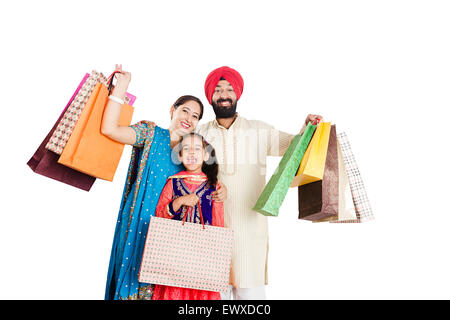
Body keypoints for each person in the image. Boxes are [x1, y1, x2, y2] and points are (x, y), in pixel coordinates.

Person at [196, 66, 322, 300]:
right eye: (218, 90)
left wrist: (308, 127)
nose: (224, 94)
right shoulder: (199, 133)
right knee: (212, 296)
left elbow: (294, 147)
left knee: (250, 296)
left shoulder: (258, 130)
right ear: (210, 97)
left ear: (237, 95)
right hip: (209, 229)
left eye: (229, 89)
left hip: (249, 229)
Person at [102, 65, 227, 300]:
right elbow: (109, 130)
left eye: (195, 116)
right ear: (173, 110)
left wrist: (222, 189)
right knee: (128, 287)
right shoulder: (150, 134)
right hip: (138, 223)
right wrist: (121, 87)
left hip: (172, 238)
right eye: (185, 111)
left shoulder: (192, 152)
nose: (189, 119)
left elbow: (209, 180)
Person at [151, 133, 224, 300]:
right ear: (180, 155)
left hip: (202, 255)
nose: (192, 153)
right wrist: (180, 201)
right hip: (174, 254)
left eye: (197, 149)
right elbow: (160, 214)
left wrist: (214, 255)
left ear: (206, 156)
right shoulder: (173, 182)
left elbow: (218, 222)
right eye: (186, 149)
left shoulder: (214, 186)